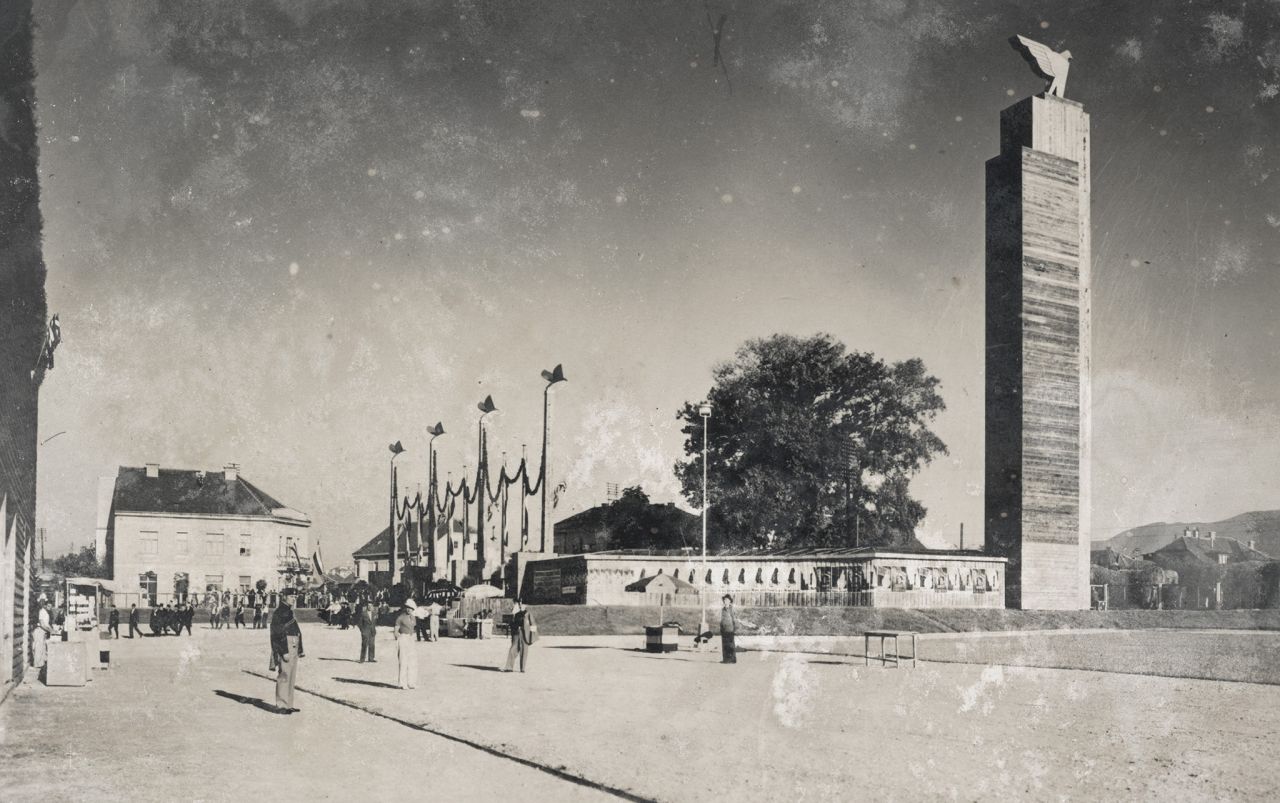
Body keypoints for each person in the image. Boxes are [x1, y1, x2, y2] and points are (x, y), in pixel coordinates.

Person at [269, 601, 304, 714]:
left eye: (295, 597)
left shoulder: (288, 610)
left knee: (291, 675)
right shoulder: (279, 611)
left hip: (293, 644)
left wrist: (300, 648)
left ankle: (289, 704)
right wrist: (284, 651)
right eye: (291, 596)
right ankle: (281, 705)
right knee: (284, 675)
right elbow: (278, 633)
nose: (293, 599)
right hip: (287, 645)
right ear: (284, 597)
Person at [718, 594, 754, 664]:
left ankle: (732, 659)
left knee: (731, 645)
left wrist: (734, 628)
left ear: (730, 601)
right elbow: (721, 619)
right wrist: (721, 627)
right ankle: (725, 659)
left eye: (727, 600)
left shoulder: (731, 609)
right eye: (724, 600)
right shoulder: (723, 610)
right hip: (724, 629)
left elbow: (734, 619)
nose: (725, 601)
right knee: (725, 645)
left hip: (730, 629)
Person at [502, 600, 536, 673]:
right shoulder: (516, 614)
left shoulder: (528, 614)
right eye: (520, 604)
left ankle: (522, 668)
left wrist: (532, 637)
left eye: (523, 604)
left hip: (525, 634)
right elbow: (513, 624)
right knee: (513, 649)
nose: (521, 605)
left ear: (525, 605)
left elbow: (533, 625)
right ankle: (509, 667)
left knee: (524, 650)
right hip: (516, 633)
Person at [394, 599, 417, 689]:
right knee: (403, 661)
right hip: (403, 638)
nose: (409, 609)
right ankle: (402, 683)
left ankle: (411, 682)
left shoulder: (413, 617)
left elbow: (413, 628)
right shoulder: (400, 617)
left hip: (411, 639)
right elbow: (396, 631)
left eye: (410, 608)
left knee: (412, 661)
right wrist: (399, 639)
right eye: (407, 607)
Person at [32, 599, 51, 668]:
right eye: (48, 606)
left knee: (42, 648)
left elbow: (47, 624)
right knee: (38, 648)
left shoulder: (46, 613)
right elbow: (42, 624)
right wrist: (50, 631)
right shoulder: (42, 612)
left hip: (43, 632)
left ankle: (41, 664)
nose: (50, 608)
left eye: (50, 606)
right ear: (44, 606)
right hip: (39, 631)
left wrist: (52, 630)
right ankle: (37, 664)